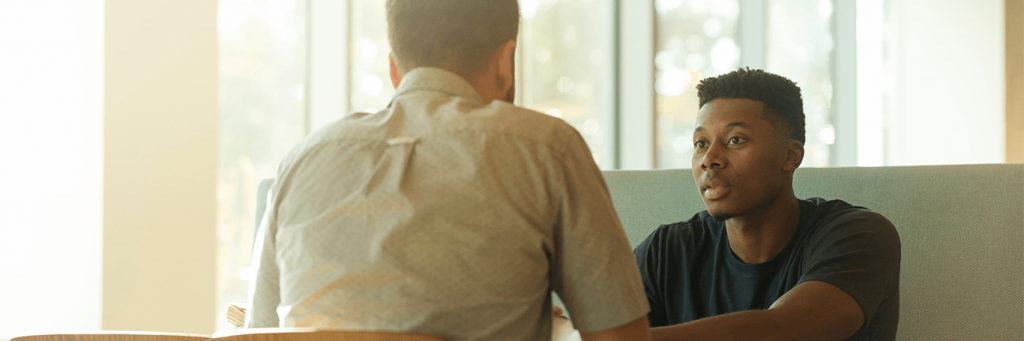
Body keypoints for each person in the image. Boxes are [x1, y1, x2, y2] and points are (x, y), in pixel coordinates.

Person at [245, 1, 650, 340]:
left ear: (394, 70)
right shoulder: (547, 149)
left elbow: (260, 332)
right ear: (506, 62)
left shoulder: (301, 161)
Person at [633, 68, 901, 340]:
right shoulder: (666, 252)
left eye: (735, 140)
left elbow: (783, 330)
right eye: (700, 143)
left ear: (790, 156)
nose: (709, 158)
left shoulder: (860, 236)